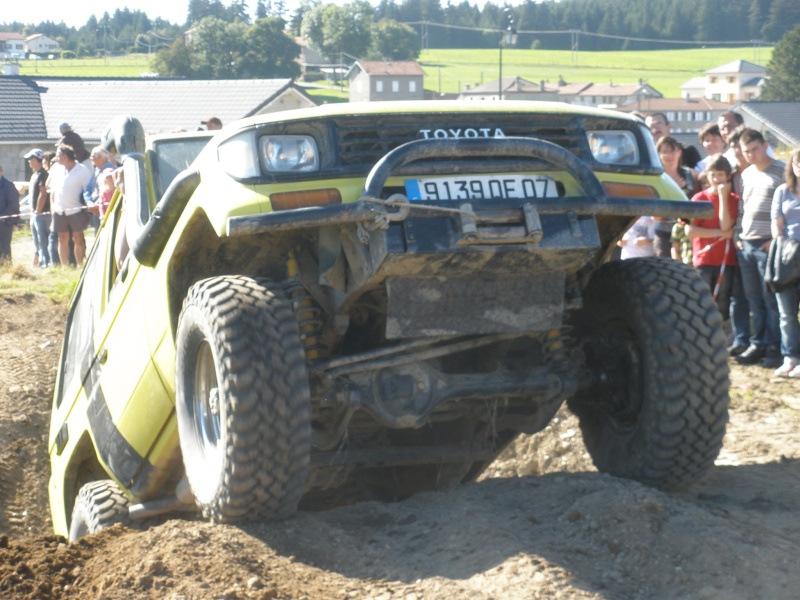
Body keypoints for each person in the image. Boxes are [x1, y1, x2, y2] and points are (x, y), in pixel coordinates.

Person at [735, 129, 785, 369]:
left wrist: (777, 240)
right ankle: (758, 343)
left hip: (769, 242)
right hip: (746, 242)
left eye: (754, 149)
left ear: (765, 145)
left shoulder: (782, 171)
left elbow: (790, 207)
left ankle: (774, 346)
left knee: (770, 298)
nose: (751, 154)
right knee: (753, 298)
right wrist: (737, 235)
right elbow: (742, 208)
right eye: (746, 151)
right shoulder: (746, 174)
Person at [685, 154, 738, 318]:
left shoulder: (734, 200)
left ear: (728, 176)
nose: (716, 179)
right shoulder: (699, 199)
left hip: (725, 258)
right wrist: (720, 234)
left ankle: (721, 330)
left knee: (723, 297)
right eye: (712, 174)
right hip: (704, 258)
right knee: (702, 297)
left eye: (720, 174)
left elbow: (726, 225)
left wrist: (722, 197)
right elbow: (690, 231)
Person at [770, 148, 800, 377]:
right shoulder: (783, 191)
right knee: (786, 313)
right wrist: (781, 245)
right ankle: (790, 357)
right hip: (787, 257)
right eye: (798, 162)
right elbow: (776, 223)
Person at [50, 144, 92, 267]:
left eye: (58, 155)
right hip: (59, 210)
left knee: (77, 238)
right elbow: (52, 190)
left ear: (65, 156)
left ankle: (79, 264)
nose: (56, 158)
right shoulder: (57, 169)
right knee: (61, 238)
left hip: (76, 210)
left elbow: (88, 189)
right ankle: (64, 266)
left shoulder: (82, 170)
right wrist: (53, 208)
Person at [656, 136, 698, 258]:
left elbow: (697, 198)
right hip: (664, 231)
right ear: (658, 155)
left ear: (679, 152)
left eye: (672, 151)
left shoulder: (689, 174)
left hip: (686, 230)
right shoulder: (657, 176)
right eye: (664, 152)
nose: (669, 155)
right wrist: (675, 190)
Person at [26, 149, 52, 268]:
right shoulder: (34, 175)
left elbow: (43, 193)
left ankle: (46, 263)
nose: (29, 162)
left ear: (37, 159)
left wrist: (38, 211)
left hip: (42, 214)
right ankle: (40, 261)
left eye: (31, 159)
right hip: (35, 213)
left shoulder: (43, 174)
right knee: (37, 241)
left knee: (43, 240)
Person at [85, 146, 116, 232]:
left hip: (106, 209)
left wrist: (98, 203)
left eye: (93, 156)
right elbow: (88, 188)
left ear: (102, 158)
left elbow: (111, 191)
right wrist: (89, 202)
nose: (91, 158)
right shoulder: (96, 171)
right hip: (95, 209)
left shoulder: (110, 171)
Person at [0, 164, 20, 263]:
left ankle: (6, 268)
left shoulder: (8, 186)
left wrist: (3, 218)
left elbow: (14, 205)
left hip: (4, 223)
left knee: (4, 248)